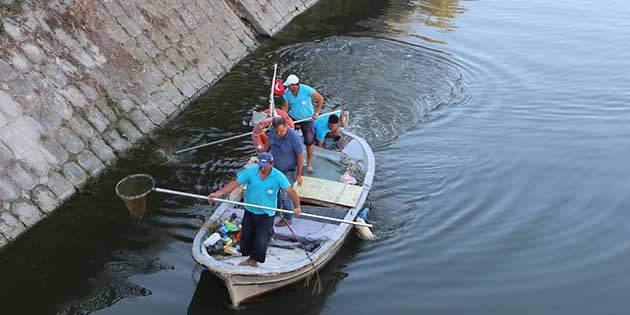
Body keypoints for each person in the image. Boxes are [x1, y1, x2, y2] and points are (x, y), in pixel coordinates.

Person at [208, 152, 301, 267]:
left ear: (272, 164)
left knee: (261, 239)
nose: (263, 168)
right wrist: (218, 193)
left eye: (265, 165)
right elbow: (235, 183)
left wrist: (297, 207)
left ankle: (253, 260)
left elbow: (291, 191)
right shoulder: (251, 171)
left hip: (266, 213)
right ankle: (247, 255)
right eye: (261, 165)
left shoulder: (278, 176)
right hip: (250, 210)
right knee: (246, 236)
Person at [262, 116, 304, 227]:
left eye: (282, 131)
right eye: (277, 131)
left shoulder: (294, 137)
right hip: (276, 167)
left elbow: (300, 155)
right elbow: (268, 144)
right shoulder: (272, 132)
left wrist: (299, 174)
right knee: (274, 190)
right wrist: (262, 157)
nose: (280, 133)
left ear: (286, 127)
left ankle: (287, 218)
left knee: (286, 194)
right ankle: (276, 210)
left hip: (290, 169)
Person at [281, 74, 324, 173]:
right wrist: (283, 117)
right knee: (288, 138)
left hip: (307, 118)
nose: (288, 87)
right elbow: (285, 107)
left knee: (309, 141)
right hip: (293, 117)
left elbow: (320, 99)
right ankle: (291, 161)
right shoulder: (287, 93)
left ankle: (309, 164)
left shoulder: (306, 90)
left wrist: (316, 113)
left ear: (295, 85)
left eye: (289, 85)